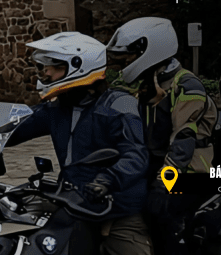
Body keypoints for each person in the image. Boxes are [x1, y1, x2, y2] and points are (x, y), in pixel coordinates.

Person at [8, 31, 152, 255]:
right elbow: (16, 126)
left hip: (116, 209)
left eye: (53, 66)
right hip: (74, 204)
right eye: (44, 66)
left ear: (78, 66)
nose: (45, 72)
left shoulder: (118, 105)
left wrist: (106, 179)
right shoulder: (58, 108)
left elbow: (136, 155)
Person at [107, 17, 218, 255]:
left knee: (165, 221)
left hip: (188, 174)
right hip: (155, 168)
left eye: (128, 56)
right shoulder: (146, 84)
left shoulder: (187, 87)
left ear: (150, 50)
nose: (124, 61)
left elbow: (182, 145)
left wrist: (162, 186)